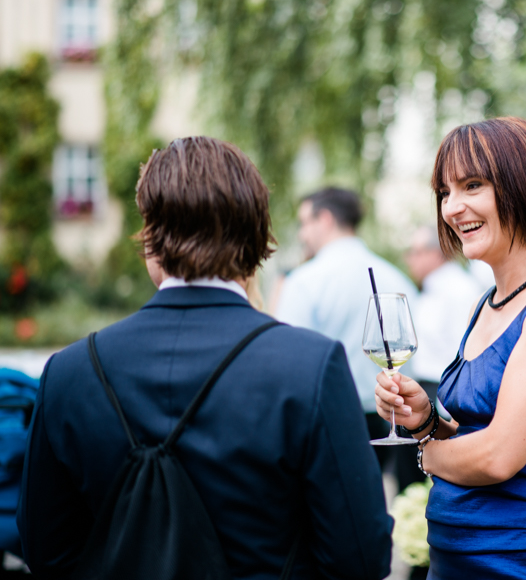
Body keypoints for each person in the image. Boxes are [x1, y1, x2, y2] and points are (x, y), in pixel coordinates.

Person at [17, 137, 392, 579]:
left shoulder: (69, 372)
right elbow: (361, 557)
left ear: (151, 240)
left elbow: (44, 550)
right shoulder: (309, 366)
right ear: (256, 242)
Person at [375, 117, 526, 579]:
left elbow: (499, 455)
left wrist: (423, 452)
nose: (452, 207)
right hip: (453, 558)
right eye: (444, 192)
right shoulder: (483, 306)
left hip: (523, 562)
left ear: (524, 184)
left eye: (472, 185)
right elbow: (469, 434)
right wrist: (425, 419)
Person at [274, 187, 419, 486]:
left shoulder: (304, 282)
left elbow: (288, 360)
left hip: (327, 421)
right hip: (384, 418)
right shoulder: (397, 278)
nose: (302, 234)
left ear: (324, 219)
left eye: (304, 223)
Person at [404, 225, 484, 393]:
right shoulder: (431, 287)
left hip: (443, 390)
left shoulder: (460, 290)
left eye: (415, 252)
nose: (409, 259)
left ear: (435, 254)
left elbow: (466, 351)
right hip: (427, 386)